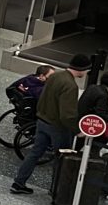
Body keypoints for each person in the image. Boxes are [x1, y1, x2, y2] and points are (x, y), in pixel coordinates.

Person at [12, 55, 90, 194]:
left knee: (34, 153)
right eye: (87, 70)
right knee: (62, 159)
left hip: (42, 121)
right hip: (58, 127)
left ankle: (18, 183)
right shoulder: (71, 86)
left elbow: (43, 97)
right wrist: (77, 130)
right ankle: (56, 191)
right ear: (81, 69)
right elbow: (67, 115)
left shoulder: (55, 76)